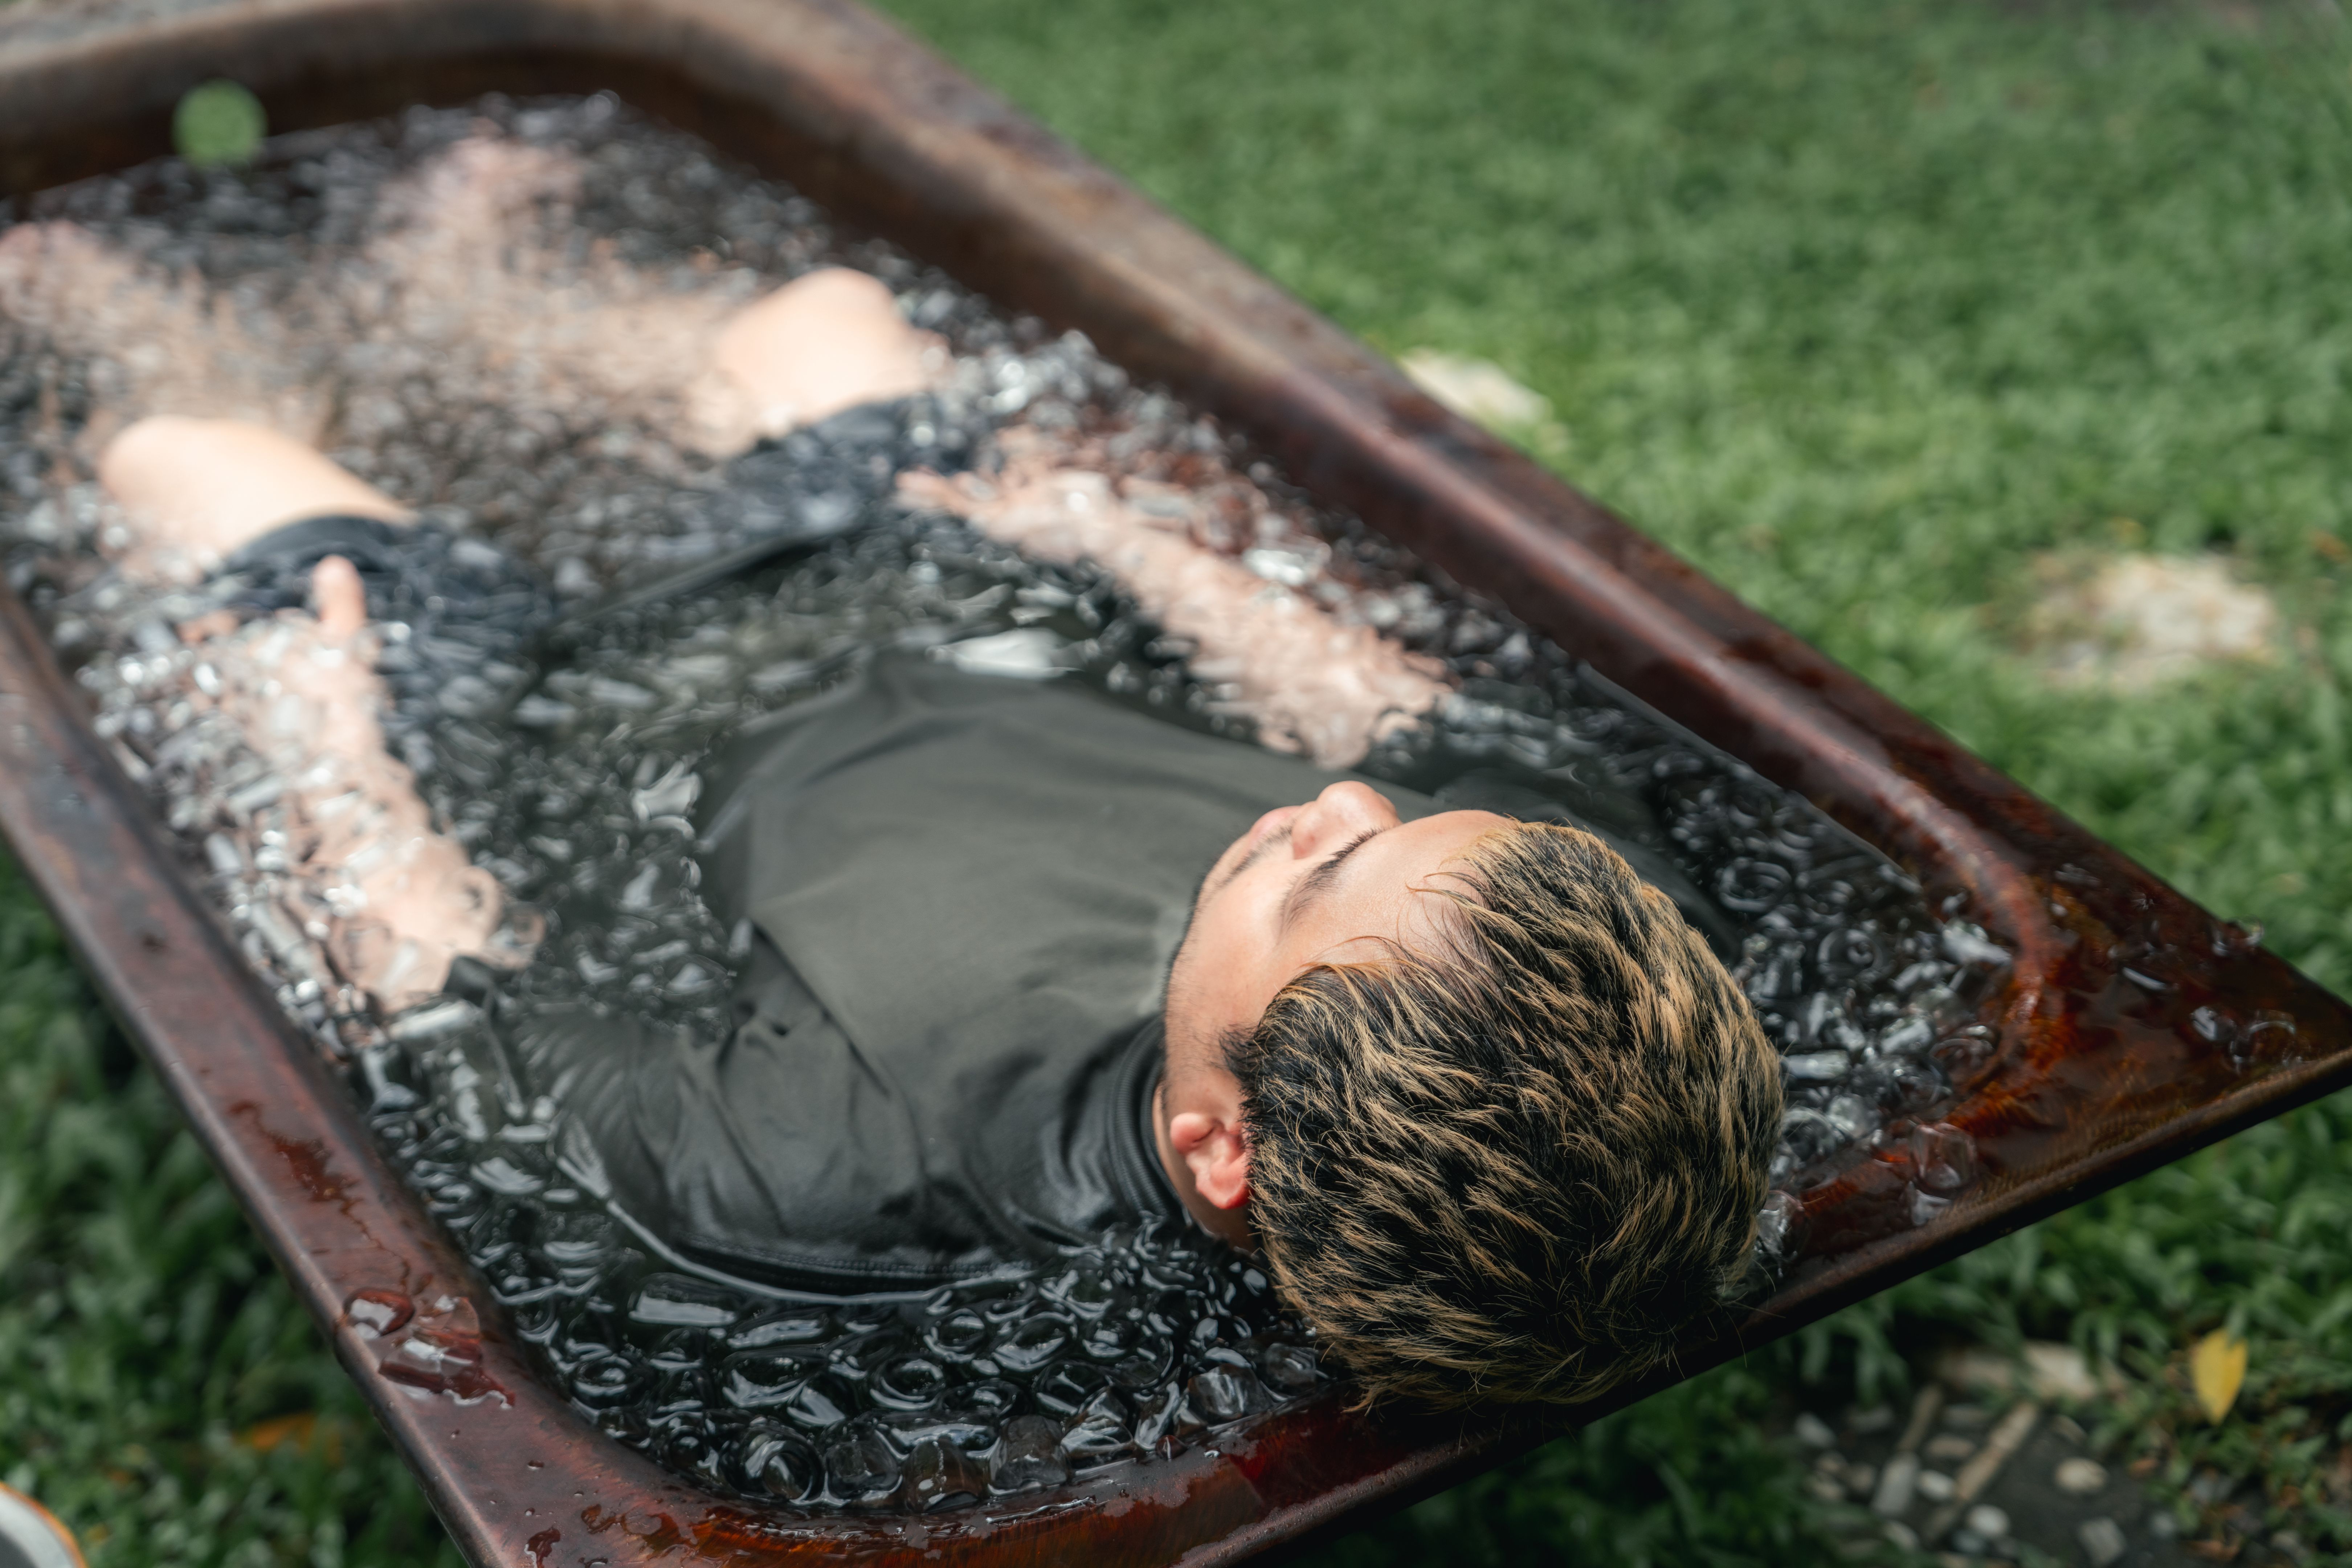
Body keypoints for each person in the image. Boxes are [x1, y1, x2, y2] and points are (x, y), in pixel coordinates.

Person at [64, 244, 1783, 1413]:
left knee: (177, 463)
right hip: (937, 596)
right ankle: (469, 287)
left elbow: (430, 980)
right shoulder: (1549, 912)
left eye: (1321, 869)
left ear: (1219, 1150)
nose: (1332, 801)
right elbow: (1390, 707)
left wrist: (319, 749)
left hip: (567, 710)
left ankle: (122, 295)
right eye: (1397, 821)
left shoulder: (839, 1175)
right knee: (826, 313)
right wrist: (1117, 537)